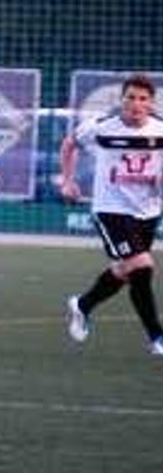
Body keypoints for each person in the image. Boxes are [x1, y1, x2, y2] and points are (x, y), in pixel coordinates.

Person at [60, 74, 163, 356]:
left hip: (148, 211)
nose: (136, 104)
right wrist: (67, 181)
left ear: (151, 103)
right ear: (122, 100)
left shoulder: (159, 129)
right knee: (142, 267)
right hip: (111, 210)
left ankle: (83, 305)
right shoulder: (102, 127)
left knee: (127, 271)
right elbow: (69, 144)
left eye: (143, 99)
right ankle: (157, 337)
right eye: (131, 97)